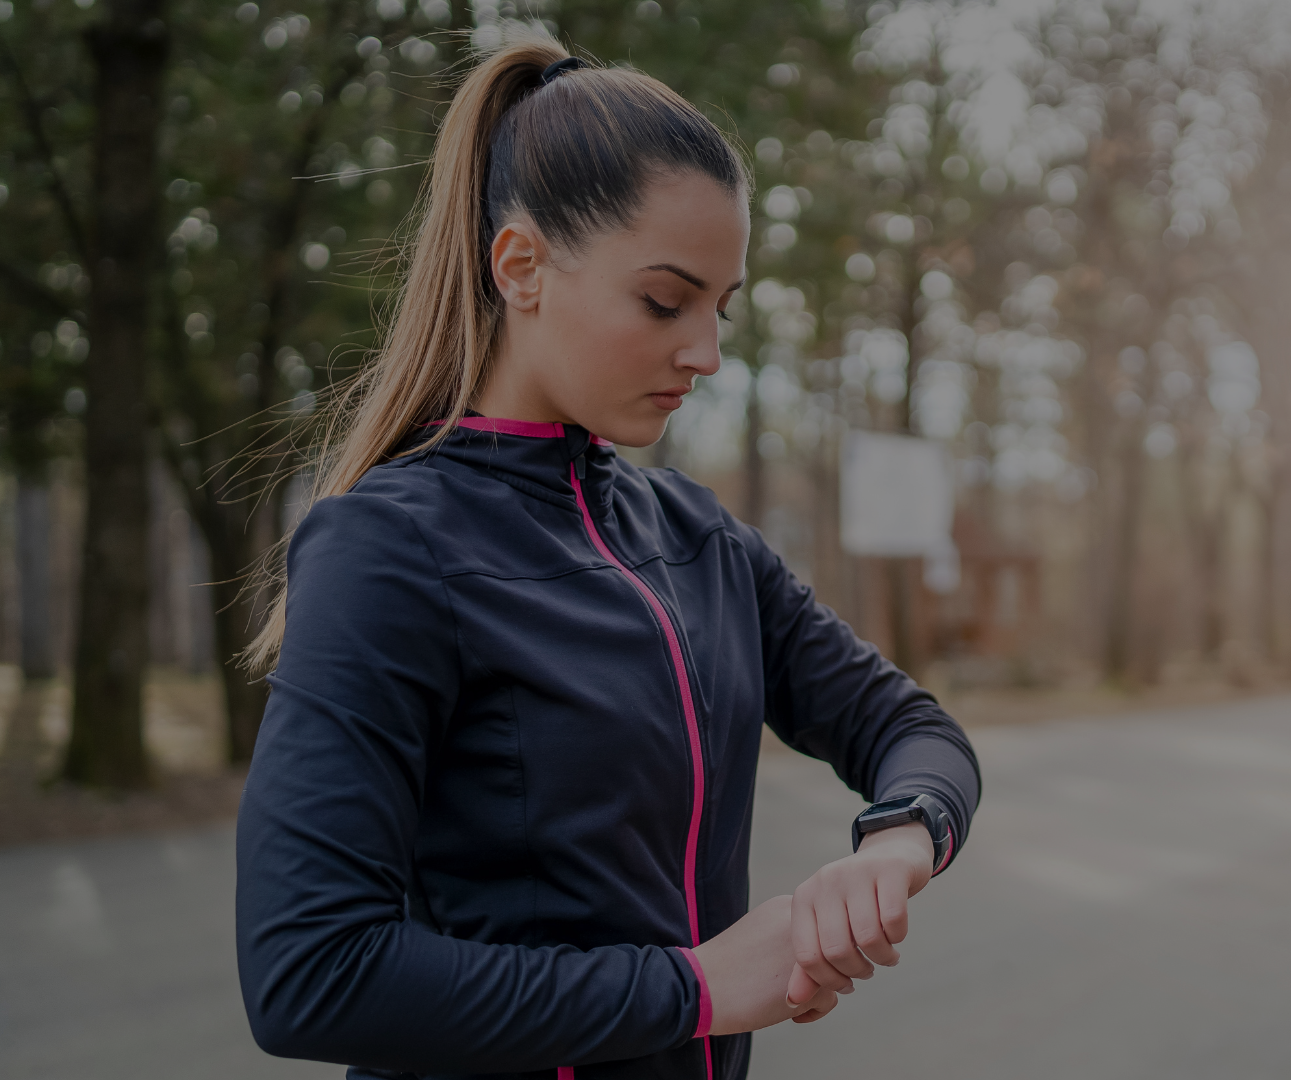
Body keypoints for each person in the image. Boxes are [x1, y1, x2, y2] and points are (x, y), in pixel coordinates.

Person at [233, 28, 980, 1080]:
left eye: (721, 309)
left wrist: (900, 843)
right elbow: (310, 973)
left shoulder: (699, 540)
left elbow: (909, 727)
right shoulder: (387, 547)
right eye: (665, 301)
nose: (707, 354)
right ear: (523, 265)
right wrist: (702, 990)